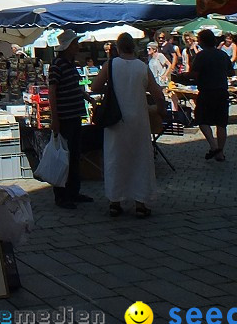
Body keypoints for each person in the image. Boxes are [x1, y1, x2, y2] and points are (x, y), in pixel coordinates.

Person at [91, 33, 166, 218]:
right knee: (140, 158)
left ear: (117, 47)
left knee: (115, 158)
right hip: (139, 121)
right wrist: (161, 112)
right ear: (134, 47)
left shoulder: (111, 65)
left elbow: (95, 87)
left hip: (115, 120)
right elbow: (158, 94)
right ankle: (141, 203)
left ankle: (114, 202)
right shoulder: (142, 67)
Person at [49, 30, 91, 209]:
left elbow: (73, 87)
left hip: (75, 115)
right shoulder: (57, 64)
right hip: (65, 117)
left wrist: (87, 97)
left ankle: (74, 191)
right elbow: (52, 91)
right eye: (75, 44)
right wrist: (55, 118)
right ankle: (61, 195)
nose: (77, 47)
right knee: (64, 158)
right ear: (67, 47)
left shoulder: (70, 64)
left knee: (74, 156)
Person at [191, 30, 233, 162]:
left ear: (203, 41)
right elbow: (231, 72)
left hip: (207, 92)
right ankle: (220, 152)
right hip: (221, 91)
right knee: (221, 123)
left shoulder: (201, 56)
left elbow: (195, 74)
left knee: (201, 120)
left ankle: (214, 146)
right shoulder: (222, 54)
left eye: (199, 39)